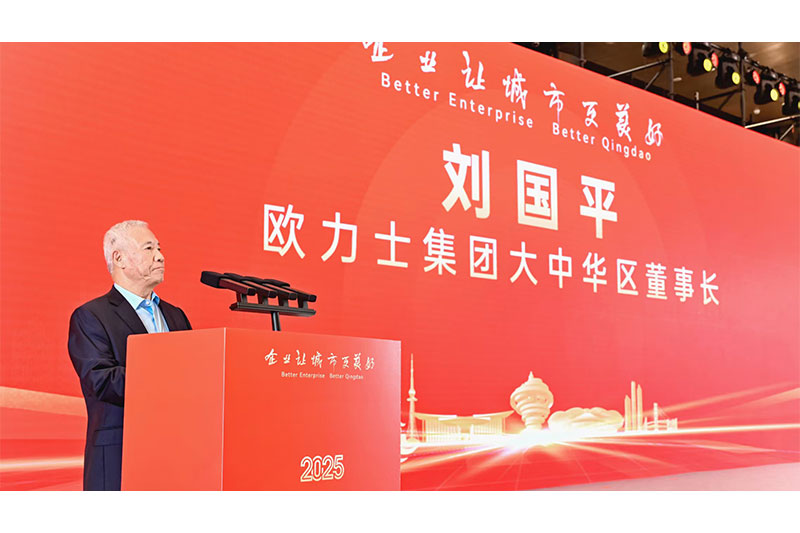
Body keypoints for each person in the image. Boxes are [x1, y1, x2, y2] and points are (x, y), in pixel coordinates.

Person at [67, 220, 192, 490]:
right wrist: (170, 376)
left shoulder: (176, 315)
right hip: (120, 457)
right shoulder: (92, 316)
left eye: (159, 248)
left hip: (178, 455)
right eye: (149, 248)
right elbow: (102, 380)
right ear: (119, 258)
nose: (160, 256)